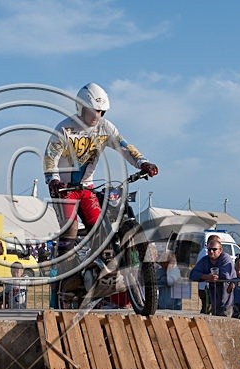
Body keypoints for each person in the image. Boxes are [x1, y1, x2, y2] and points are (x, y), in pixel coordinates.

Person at [43, 82, 158, 274]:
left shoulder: (106, 128)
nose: (97, 116)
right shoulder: (64, 129)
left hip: (86, 188)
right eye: (93, 111)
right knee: (70, 229)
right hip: (64, 189)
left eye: (102, 112)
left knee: (101, 228)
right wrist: (53, 180)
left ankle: (100, 268)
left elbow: (125, 147)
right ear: (81, 107)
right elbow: (50, 157)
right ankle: (66, 271)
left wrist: (143, 163)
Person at [189, 237, 236, 316]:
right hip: (214, 300)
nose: (211, 251)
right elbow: (193, 274)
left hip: (228, 301)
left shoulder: (225, 258)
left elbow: (225, 275)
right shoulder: (205, 260)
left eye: (214, 249)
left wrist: (212, 276)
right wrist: (207, 276)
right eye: (209, 249)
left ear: (220, 250)